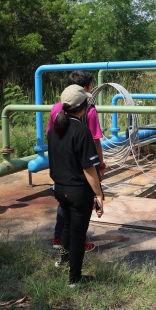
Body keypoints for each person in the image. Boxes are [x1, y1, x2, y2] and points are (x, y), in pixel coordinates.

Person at [48, 85, 104, 287]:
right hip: (78, 192)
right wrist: (99, 194)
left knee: (67, 226)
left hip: (60, 188)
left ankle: (62, 260)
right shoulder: (81, 131)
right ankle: (74, 279)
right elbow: (89, 169)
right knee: (78, 235)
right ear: (83, 106)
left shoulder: (54, 129)